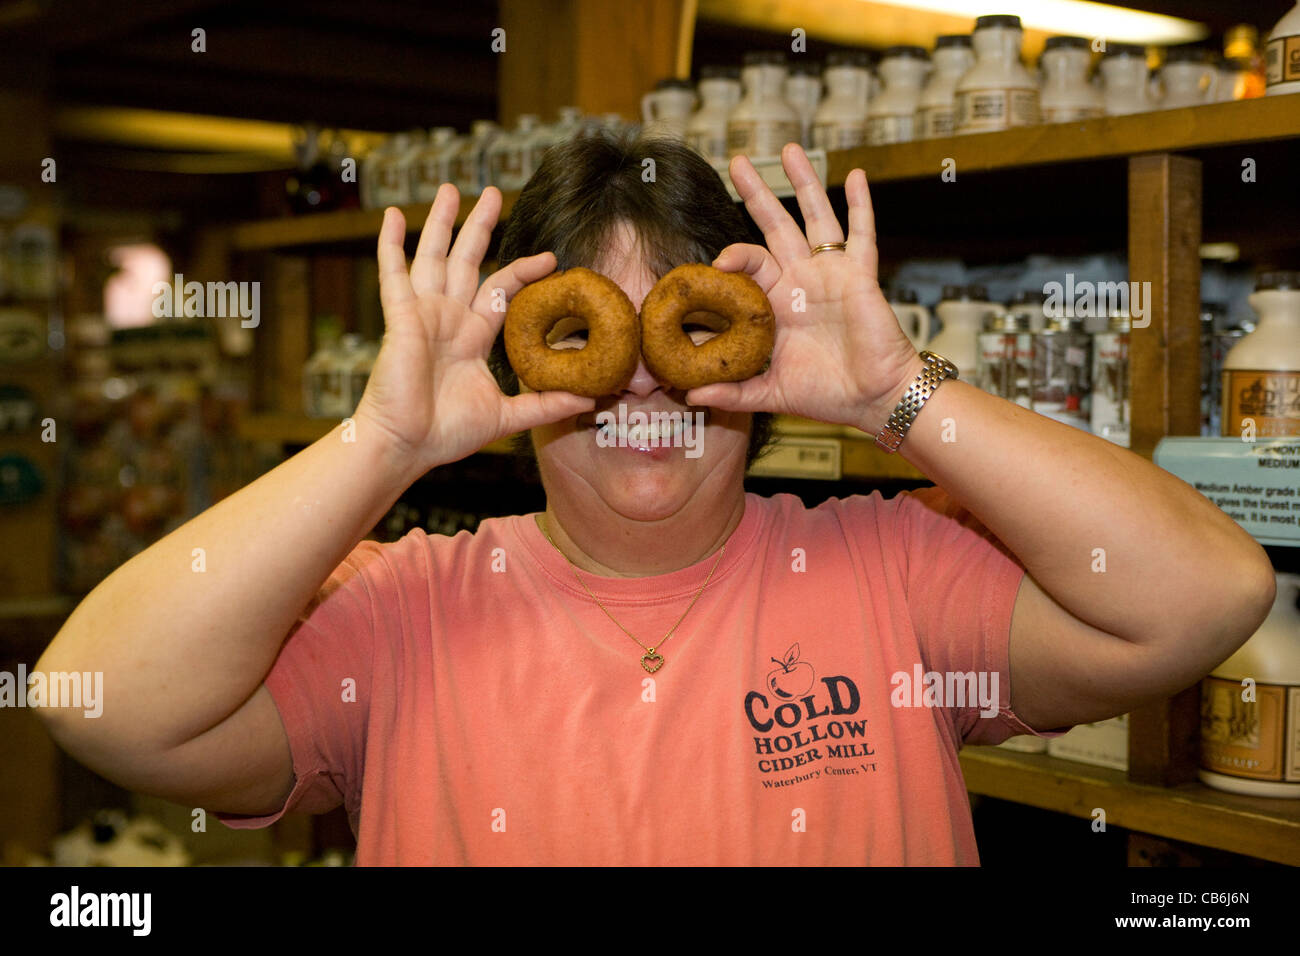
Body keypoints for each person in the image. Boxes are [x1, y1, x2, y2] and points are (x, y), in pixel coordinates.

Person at [34, 131, 1275, 865]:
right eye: (588, 325)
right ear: (520, 355)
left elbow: (1206, 595)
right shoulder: (395, 610)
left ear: (746, 351)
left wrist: (902, 391)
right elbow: (101, 706)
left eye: (677, 324)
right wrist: (382, 440)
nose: (638, 380)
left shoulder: (896, 572)